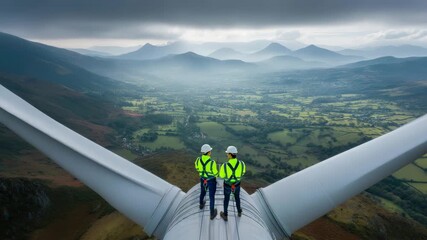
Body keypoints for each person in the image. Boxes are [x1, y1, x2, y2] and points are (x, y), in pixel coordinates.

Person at [219, 146, 246, 221]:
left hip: (227, 185)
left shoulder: (225, 165)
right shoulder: (242, 164)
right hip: (237, 184)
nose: (227, 155)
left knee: (226, 199)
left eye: (227, 153)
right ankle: (239, 211)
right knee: (237, 197)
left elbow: (221, 175)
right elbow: (243, 172)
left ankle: (225, 215)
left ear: (230, 154)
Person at [195, 144, 218, 219]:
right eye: (210, 151)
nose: (211, 151)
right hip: (211, 181)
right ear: (208, 152)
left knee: (203, 192)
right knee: (211, 196)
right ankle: (212, 213)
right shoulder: (212, 162)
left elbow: (197, 168)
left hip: (203, 179)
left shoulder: (198, 160)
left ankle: (201, 204)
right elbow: (215, 173)